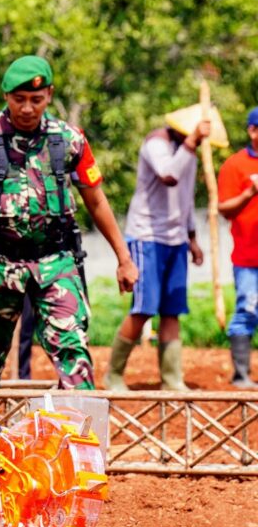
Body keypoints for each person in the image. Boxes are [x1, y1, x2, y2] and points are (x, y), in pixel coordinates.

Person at [0, 55, 138, 391]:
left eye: (36, 99)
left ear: (49, 94)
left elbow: (96, 200)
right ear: (6, 97)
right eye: (19, 100)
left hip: (56, 261)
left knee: (73, 351)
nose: (28, 108)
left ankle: (80, 441)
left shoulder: (69, 140)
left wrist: (124, 258)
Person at [105, 112, 214, 391]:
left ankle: (171, 378)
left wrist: (192, 237)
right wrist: (192, 143)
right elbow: (169, 175)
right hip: (147, 236)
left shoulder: (189, 150)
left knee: (171, 310)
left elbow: (186, 196)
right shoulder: (156, 143)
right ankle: (114, 375)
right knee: (144, 308)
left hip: (176, 240)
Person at [217, 108, 258, 389]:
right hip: (247, 256)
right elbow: (224, 209)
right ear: (252, 131)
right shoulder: (234, 165)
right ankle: (241, 375)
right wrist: (249, 192)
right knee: (247, 308)